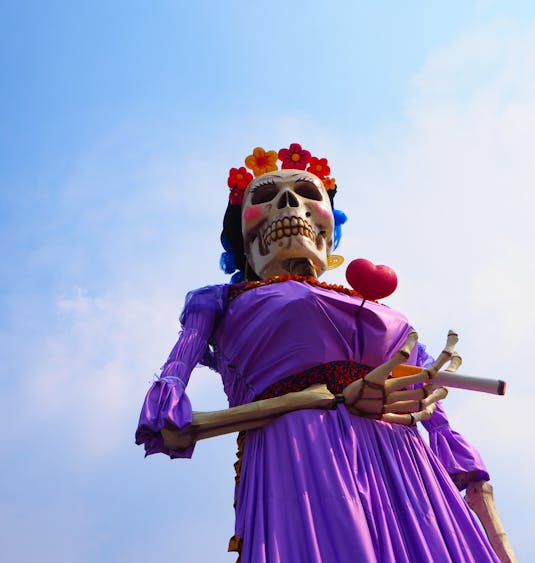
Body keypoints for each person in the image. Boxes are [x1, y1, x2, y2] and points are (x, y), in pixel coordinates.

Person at [136, 143, 498, 562]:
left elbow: (452, 450)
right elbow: (170, 428)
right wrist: (316, 400)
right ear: (243, 235)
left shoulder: (382, 311)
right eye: (264, 197)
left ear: (329, 228)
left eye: (307, 193)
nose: (288, 203)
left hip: (412, 475)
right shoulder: (220, 301)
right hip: (305, 454)